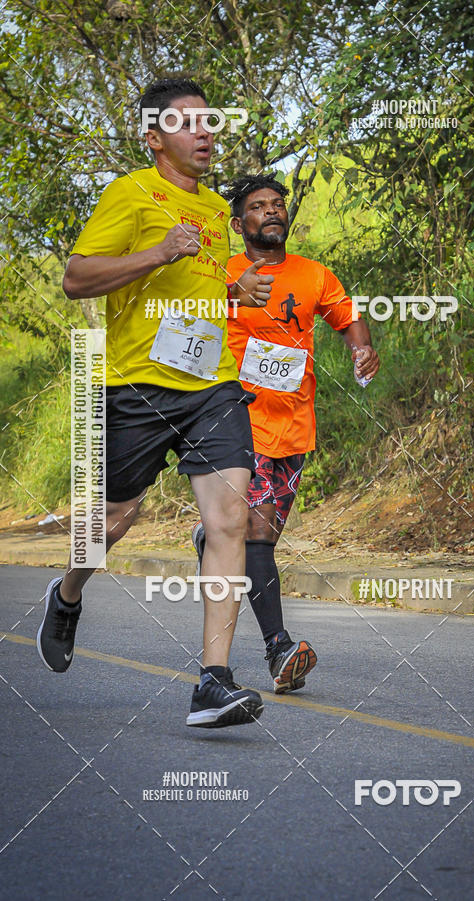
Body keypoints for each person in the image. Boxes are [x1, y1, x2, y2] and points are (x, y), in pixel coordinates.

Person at [37, 77, 274, 729]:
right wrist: (158, 250)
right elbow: (76, 277)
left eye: (209, 121)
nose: (204, 132)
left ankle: (214, 682)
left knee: (230, 517)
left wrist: (235, 293)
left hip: (211, 386)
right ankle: (67, 595)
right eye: (186, 122)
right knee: (111, 524)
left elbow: (193, 292)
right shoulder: (130, 193)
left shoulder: (220, 216)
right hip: (138, 385)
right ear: (153, 137)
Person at [193, 173, 379, 694]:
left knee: (262, 543)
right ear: (239, 223)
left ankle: (214, 540)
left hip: (294, 426)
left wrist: (361, 348)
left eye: (278, 204)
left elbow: (349, 320)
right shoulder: (221, 274)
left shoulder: (315, 275)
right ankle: (278, 646)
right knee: (255, 533)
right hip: (234, 421)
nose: (272, 212)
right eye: (259, 206)